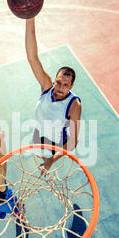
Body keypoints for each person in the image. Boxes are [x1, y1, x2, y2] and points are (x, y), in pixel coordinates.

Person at [25, 18, 82, 171]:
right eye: (58, 82)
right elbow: (32, 58)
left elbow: (73, 140)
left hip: (55, 144)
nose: (60, 87)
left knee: (45, 171)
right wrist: (29, 18)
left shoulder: (74, 105)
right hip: (39, 135)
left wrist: (53, 159)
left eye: (65, 85)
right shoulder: (46, 86)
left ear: (71, 86)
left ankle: (48, 159)